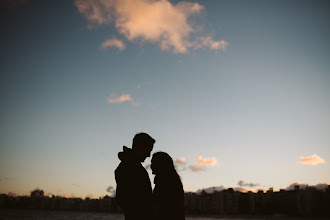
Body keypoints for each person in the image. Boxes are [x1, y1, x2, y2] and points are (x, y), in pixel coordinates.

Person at [115, 133, 155, 220]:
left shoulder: (129, 166)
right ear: (139, 147)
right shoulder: (132, 168)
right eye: (148, 150)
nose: (148, 155)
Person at [151, 151, 185, 220]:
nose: (151, 165)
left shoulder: (166, 182)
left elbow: (162, 207)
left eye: (153, 163)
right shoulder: (171, 180)